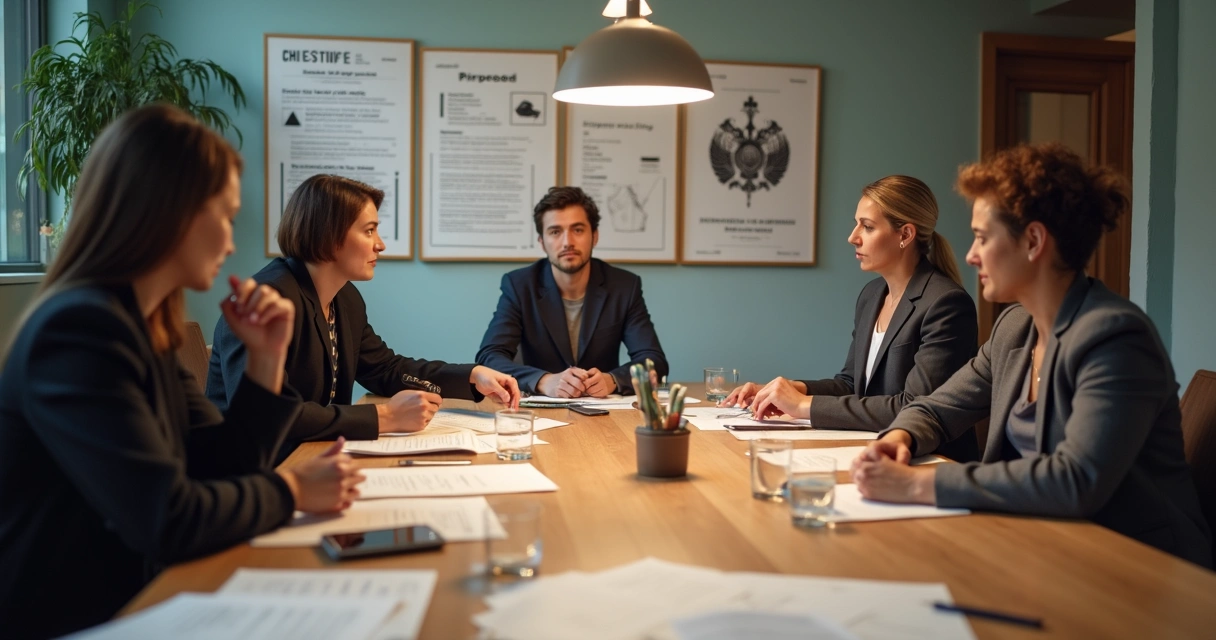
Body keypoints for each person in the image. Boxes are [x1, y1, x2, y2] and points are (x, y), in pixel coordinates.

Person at [0, 105, 363, 638]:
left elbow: (221, 466)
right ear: (165, 212)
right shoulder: (79, 331)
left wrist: (266, 360)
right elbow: (167, 519)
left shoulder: (141, 326)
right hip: (76, 617)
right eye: (223, 215)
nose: (232, 242)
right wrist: (290, 491)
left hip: (141, 597)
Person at [851, 143, 1212, 568]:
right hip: (1036, 543)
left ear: (1034, 241)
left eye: (983, 238)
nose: (970, 255)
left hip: (1134, 566)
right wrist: (901, 438)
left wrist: (915, 485)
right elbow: (936, 407)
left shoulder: (1115, 338)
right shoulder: (1014, 327)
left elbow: (1075, 481)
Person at [207, 175, 519, 457]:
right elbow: (264, 415)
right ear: (328, 236)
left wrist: (473, 376)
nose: (380, 245)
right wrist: (384, 417)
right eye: (369, 230)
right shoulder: (267, 301)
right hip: (253, 471)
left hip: (310, 456)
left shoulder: (345, 298)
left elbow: (384, 368)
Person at [724, 176, 979, 461]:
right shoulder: (872, 295)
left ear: (905, 235)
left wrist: (804, 405)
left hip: (932, 462)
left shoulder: (947, 304)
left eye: (867, 227)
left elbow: (913, 407)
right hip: (873, 451)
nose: (853, 236)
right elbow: (850, 384)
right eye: (857, 223)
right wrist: (793, 390)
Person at [476, 186, 668, 398]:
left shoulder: (624, 286)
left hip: (604, 412)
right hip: (541, 412)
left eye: (578, 230)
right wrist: (543, 380)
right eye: (555, 232)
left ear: (594, 236)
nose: (567, 242)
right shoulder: (520, 286)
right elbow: (489, 357)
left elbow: (653, 361)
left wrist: (613, 380)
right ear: (542, 242)